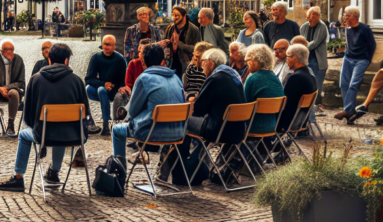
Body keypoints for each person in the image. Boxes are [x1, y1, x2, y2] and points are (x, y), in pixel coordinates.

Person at [0, 43, 89, 192]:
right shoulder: (77, 81)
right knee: (61, 128)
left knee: (24, 134)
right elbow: (86, 114)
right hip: (74, 136)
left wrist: (39, 127)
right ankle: (54, 172)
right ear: (66, 61)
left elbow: (28, 116)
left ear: (50, 60)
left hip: (44, 136)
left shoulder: (35, 79)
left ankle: (18, 177)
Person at [110, 44, 186, 165]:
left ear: (143, 63)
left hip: (152, 133)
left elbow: (133, 112)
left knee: (116, 130)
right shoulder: (176, 78)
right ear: (163, 61)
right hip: (178, 132)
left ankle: (120, 170)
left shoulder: (144, 78)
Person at [184, 48, 247, 184]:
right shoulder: (233, 76)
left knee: (181, 120)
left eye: (203, 62)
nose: (201, 67)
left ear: (211, 63)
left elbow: (198, 110)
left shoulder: (215, 78)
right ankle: (198, 167)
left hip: (218, 131)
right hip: (238, 131)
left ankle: (184, 170)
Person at [335, 7, 376, 120]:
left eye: (347, 15)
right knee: (343, 84)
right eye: (345, 15)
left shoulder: (364, 29)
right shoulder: (348, 29)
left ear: (355, 16)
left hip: (361, 60)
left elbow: (372, 45)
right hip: (348, 58)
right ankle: (350, 111)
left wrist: (367, 59)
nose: (345, 17)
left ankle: (346, 110)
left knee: (353, 85)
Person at [242, 44, 286, 137]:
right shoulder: (275, 77)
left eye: (248, 61)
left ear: (255, 60)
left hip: (252, 127)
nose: (247, 65)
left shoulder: (252, 78)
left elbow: (245, 104)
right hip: (272, 126)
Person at [278, 45, 317, 133]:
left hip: (288, 123)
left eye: (287, 56)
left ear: (294, 58)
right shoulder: (310, 76)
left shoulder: (295, 78)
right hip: (301, 122)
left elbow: (286, 104)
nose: (286, 60)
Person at [162, 5, 201, 79]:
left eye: (177, 15)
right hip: (170, 63)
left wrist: (179, 44)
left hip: (186, 64)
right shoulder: (170, 28)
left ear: (184, 16)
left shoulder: (193, 29)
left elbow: (197, 48)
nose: (174, 17)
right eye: (173, 15)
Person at [300, 7, 329, 84]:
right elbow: (301, 40)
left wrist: (302, 49)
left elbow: (315, 43)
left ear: (319, 17)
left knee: (317, 86)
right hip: (306, 59)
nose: (312, 17)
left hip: (317, 60)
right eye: (310, 15)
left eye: (315, 15)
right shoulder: (304, 27)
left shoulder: (322, 27)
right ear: (307, 17)